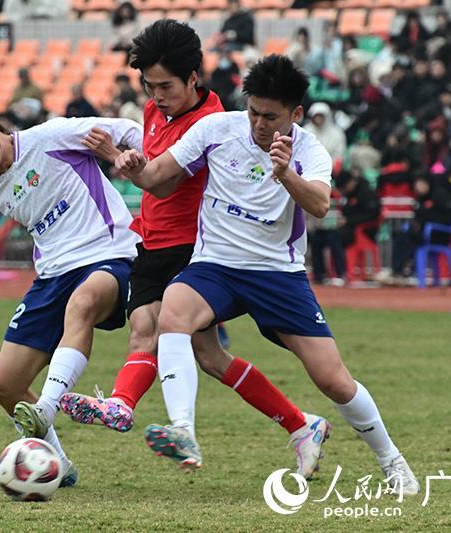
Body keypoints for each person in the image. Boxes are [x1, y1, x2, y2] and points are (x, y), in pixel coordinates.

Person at [112, 55, 419, 494]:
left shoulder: (309, 150)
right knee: (173, 314)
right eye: (253, 111)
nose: (258, 123)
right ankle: (183, 430)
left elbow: (319, 205)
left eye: (270, 117)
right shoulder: (217, 128)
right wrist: (134, 166)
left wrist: (285, 174)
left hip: (277, 274)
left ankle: (393, 463)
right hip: (216, 265)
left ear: (295, 114)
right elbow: (157, 174)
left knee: (333, 379)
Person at [60, 21, 330, 480]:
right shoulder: (152, 111)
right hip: (153, 240)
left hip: (197, 248)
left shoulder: (215, 121)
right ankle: (300, 423)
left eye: (165, 86)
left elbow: (164, 184)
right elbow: (149, 174)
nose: (156, 95)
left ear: (192, 78)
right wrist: (127, 161)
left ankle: (128, 406)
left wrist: (125, 164)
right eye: (149, 86)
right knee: (201, 353)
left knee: (156, 331)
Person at [0, 91, 143, 488]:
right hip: (52, 277)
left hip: (108, 254)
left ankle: (46, 407)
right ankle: (57, 465)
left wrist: (140, 160)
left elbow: (126, 130)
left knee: (82, 303)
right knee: (3, 385)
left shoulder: (52, 136)